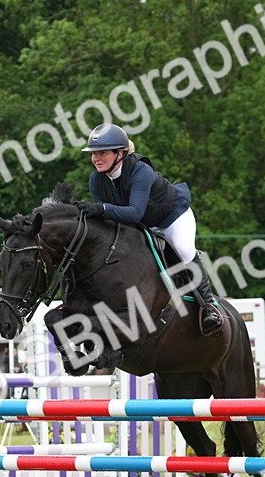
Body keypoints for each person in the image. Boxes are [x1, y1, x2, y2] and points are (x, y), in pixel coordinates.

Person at [75, 123, 223, 336]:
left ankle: (208, 306)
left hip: (172, 217)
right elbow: (110, 220)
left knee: (182, 248)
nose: (96, 158)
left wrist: (101, 208)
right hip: (142, 225)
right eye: (94, 153)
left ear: (120, 154)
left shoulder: (140, 171)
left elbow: (134, 212)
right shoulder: (95, 181)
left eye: (103, 153)